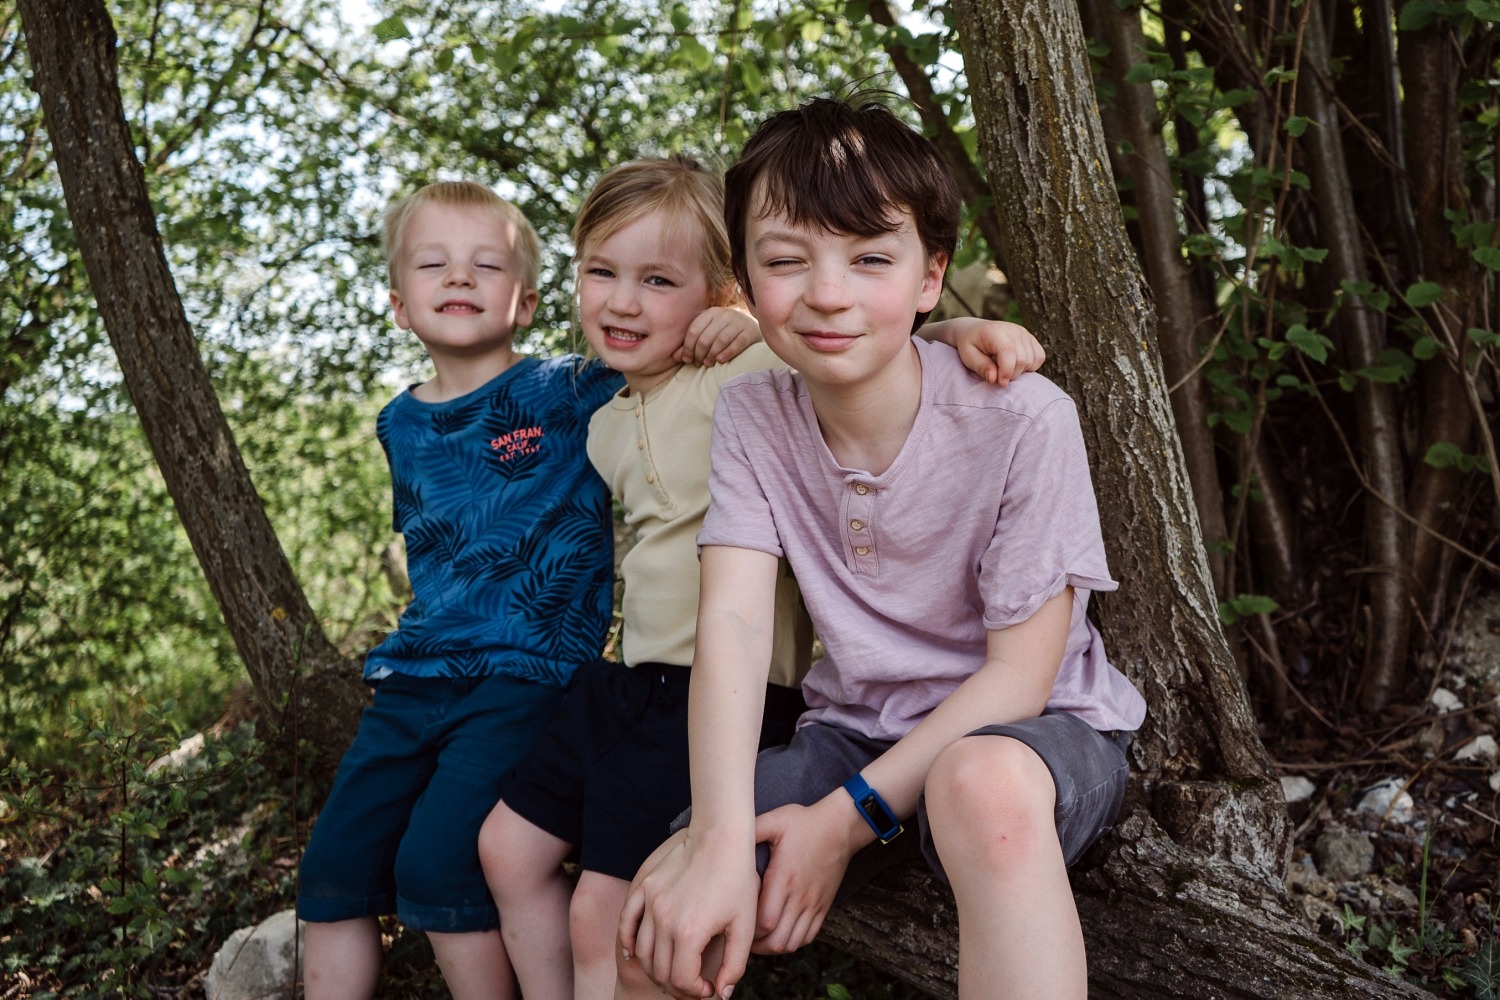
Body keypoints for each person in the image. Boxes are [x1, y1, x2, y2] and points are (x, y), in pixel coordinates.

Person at [477, 156, 1048, 1000]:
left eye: (659, 279)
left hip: (726, 693)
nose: (623, 301)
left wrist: (957, 334)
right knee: (504, 848)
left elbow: (857, 346)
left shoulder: (742, 384)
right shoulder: (600, 420)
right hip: (627, 683)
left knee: (609, 910)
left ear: (718, 292)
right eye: (601, 273)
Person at [616, 99, 1148, 1000]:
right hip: (855, 730)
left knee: (978, 786)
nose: (828, 293)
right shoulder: (752, 415)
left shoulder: (1023, 418)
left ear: (930, 275)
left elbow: (1018, 679)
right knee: (662, 912)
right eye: (786, 261)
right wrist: (714, 838)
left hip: (1028, 736)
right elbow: (736, 626)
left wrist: (841, 824)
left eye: (870, 259)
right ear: (744, 278)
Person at [294, 180, 753, 1000]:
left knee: (437, 860)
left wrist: (742, 319)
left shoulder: (571, 390)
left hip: (527, 673)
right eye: (434, 264)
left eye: (485, 264)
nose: (459, 279)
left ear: (530, 300)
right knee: (330, 870)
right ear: (399, 303)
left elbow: (678, 360)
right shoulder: (397, 424)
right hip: (416, 674)